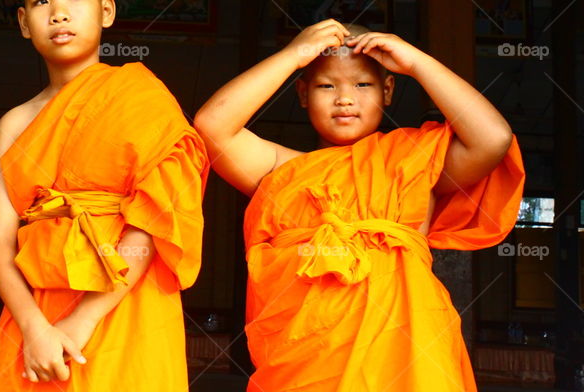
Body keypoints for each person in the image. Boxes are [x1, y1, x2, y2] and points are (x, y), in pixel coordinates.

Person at [194, 19, 525, 391]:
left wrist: (417, 62)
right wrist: (293, 56)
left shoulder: (412, 159)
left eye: (362, 84)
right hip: (308, 357)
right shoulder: (279, 168)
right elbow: (212, 125)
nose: (345, 98)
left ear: (388, 89)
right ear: (302, 94)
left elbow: (492, 138)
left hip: (407, 348)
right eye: (326, 85)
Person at [0, 0, 209, 390]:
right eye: (42, 2)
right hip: (38, 313)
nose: (59, 13)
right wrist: (33, 327)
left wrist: (83, 320)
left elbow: (154, 219)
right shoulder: (15, 122)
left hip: (125, 302)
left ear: (106, 10)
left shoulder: (141, 98)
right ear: (24, 22)